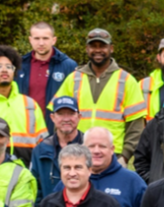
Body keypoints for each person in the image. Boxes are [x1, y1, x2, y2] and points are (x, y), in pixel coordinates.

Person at [58, 28, 149, 159]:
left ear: (111, 48)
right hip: (77, 154)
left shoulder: (127, 80)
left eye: (102, 46)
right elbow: (59, 119)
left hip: (113, 156)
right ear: (87, 49)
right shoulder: (72, 79)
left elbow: (136, 127)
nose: (98, 50)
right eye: (93, 46)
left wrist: (125, 156)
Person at [27, 145, 132, 207]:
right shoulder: (47, 205)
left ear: (89, 170)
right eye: (67, 167)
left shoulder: (109, 206)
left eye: (78, 167)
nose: (72, 173)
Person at [79, 128, 151, 207]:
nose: (96, 151)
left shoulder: (133, 183)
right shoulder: (72, 181)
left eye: (102, 146)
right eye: (91, 146)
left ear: (112, 149)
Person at [17, 23, 79, 115]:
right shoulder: (20, 65)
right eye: (37, 38)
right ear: (30, 40)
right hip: (25, 123)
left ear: (54, 40)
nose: (41, 43)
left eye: (45, 38)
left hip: (55, 125)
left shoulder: (68, 65)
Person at [31, 96, 84, 196]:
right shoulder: (40, 150)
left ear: (79, 117)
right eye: (60, 114)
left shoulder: (89, 147)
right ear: (52, 118)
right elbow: (35, 189)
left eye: (71, 114)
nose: (66, 119)